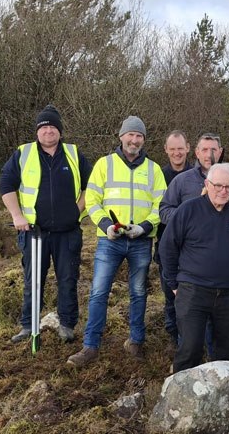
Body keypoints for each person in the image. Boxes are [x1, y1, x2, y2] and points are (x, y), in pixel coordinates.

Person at [66, 115, 167, 367]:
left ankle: (135, 341)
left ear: (144, 140)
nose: (134, 140)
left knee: (139, 292)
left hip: (141, 241)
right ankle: (90, 346)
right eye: (130, 134)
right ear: (121, 136)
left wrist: (144, 227)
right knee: (99, 292)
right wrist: (104, 225)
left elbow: (161, 205)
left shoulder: (154, 170)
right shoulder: (104, 165)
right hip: (109, 240)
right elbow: (92, 200)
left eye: (139, 136)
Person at [0, 104, 91, 344]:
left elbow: (92, 187)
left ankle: (67, 325)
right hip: (34, 232)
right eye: (44, 127)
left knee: (68, 279)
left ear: (60, 131)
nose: (48, 131)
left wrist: (76, 210)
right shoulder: (23, 153)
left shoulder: (73, 154)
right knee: (33, 280)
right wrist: (17, 216)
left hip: (68, 232)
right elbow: (6, 185)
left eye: (53, 127)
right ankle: (28, 326)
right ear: (37, 132)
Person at [158, 133, 229, 350]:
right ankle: (177, 345)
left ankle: (216, 361)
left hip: (227, 283)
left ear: (220, 152)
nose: (209, 154)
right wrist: (191, 216)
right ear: (196, 152)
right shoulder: (182, 181)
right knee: (185, 327)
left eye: (214, 149)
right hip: (190, 273)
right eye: (205, 149)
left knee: (222, 336)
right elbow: (164, 210)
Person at [155, 131, 193, 348]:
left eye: (181, 148)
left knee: (190, 296)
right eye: (173, 148)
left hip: (192, 250)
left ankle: (190, 336)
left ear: (188, 148)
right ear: (166, 150)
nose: (177, 153)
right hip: (166, 246)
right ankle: (172, 334)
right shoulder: (158, 175)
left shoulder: (198, 175)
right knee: (170, 294)